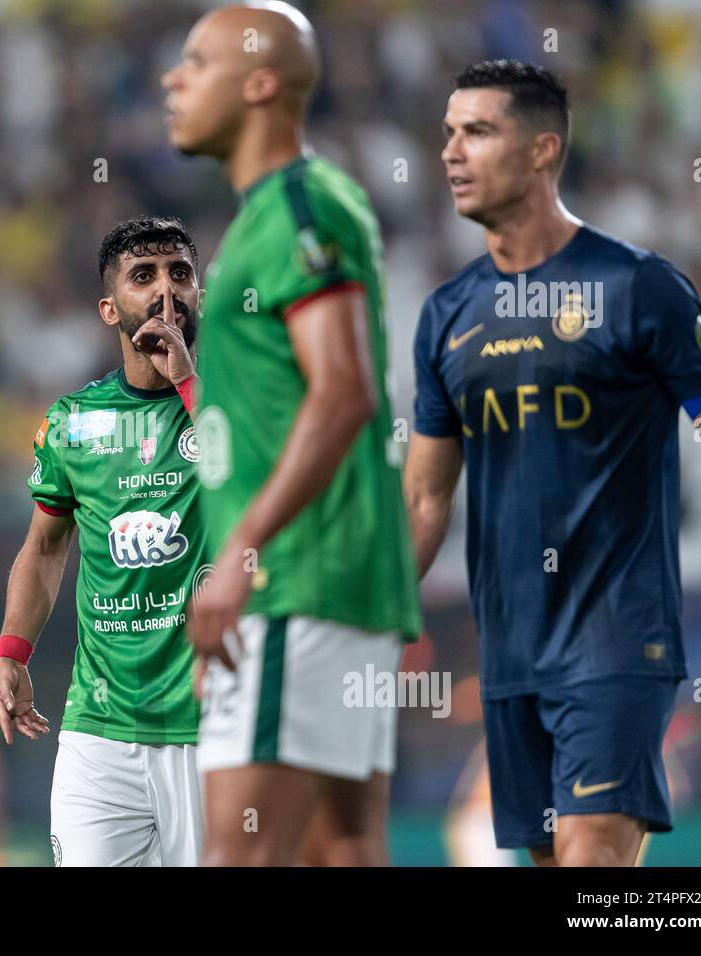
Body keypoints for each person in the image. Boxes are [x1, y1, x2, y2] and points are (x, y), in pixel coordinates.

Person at [403, 59, 701, 866]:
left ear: (541, 151)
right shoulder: (446, 316)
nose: (452, 152)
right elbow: (425, 503)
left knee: (594, 868)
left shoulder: (637, 287)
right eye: (449, 133)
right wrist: (364, 617)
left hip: (619, 639)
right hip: (511, 651)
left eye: (478, 132)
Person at [162, 2, 421, 866]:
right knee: (339, 852)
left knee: (238, 857)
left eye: (197, 63)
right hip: (322, 584)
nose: (173, 79)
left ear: (261, 83)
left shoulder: (300, 209)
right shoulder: (263, 220)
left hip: (293, 583)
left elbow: (343, 392)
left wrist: (239, 553)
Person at [0, 216, 206, 866]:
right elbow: (46, 547)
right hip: (99, 726)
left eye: (181, 274)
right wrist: (13, 649)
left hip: (213, 726)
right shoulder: (71, 424)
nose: (166, 290)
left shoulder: (242, 400)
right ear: (110, 308)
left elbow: (264, 490)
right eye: (144, 276)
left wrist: (190, 384)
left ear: (202, 295)